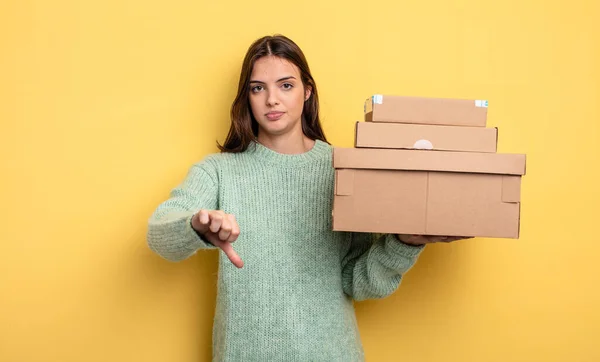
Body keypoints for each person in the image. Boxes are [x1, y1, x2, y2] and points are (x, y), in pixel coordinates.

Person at [147, 34, 468, 361]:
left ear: (307, 91)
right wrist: (196, 227)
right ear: (247, 97)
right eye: (258, 88)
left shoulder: (344, 170)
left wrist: (404, 242)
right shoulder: (217, 171)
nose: (272, 99)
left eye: (286, 85)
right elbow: (159, 233)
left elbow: (358, 282)